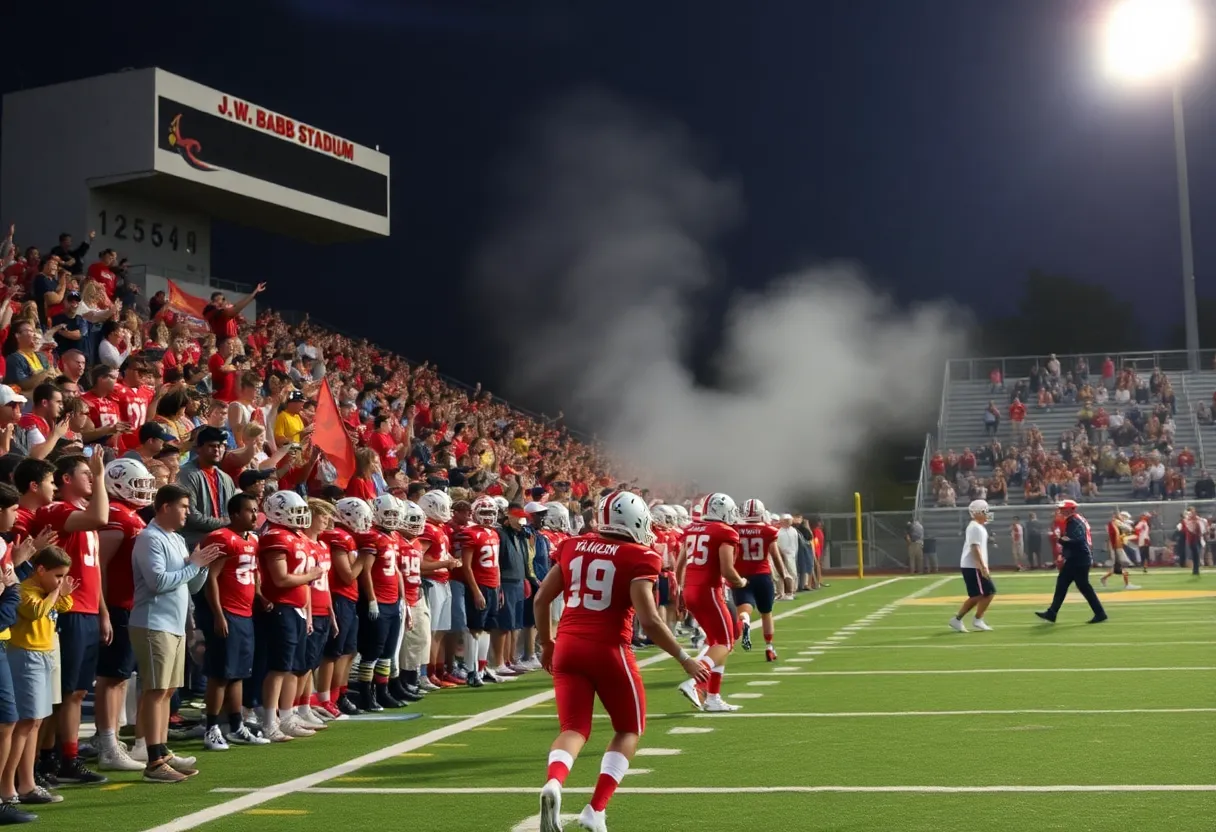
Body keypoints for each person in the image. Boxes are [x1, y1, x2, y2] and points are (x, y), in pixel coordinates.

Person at [533, 490, 709, 832]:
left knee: (573, 728)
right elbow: (652, 620)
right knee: (629, 729)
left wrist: (546, 643)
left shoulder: (573, 545)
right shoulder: (638, 555)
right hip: (609, 648)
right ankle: (595, 809)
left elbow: (541, 599)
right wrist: (685, 658)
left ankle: (554, 782)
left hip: (568, 645)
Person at [129, 484, 224, 782]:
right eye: (183, 506)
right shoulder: (149, 538)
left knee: (167, 691)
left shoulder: (176, 539)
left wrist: (202, 567)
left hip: (173, 623)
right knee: (156, 691)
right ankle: (154, 759)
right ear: (165, 507)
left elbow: (190, 586)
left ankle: (162, 752)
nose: (188, 513)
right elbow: (157, 582)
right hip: (153, 621)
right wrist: (193, 565)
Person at [28, 453, 109, 786]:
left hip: (88, 610)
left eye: (93, 474)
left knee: (75, 692)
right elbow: (100, 516)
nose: (91, 478)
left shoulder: (80, 515)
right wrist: (103, 477)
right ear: (65, 479)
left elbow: (95, 570)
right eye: (85, 474)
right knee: (58, 693)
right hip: (69, 610)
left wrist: (103, 612)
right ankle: (48, 758)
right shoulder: (59, 510)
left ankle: (66, 757)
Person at [93, 459, 157, 773]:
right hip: (117, 603)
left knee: (120, 678)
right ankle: (108, 743)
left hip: (130, 604)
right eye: (137, 483)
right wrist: (103, 608)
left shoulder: (130, 514)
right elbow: (99, 565)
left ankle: (112, 740)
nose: (143, 490)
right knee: (112, 677)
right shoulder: (117, 515)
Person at [199, 492, 271, 750]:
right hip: (227, 612)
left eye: (256, 509)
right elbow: (211, 579)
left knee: (239, 673)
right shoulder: (222, 538)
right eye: (250, 510)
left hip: (245, 613)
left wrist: (260, 596)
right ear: (235, 514)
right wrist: (218, 614)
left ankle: (236, 724)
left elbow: (253, 573)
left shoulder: (252, 539)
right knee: (220, 673)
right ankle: (211, 727)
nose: (255, 515)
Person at [7, 547, 77, 807]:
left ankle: (27, 780)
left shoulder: (47, 591)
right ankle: (19, 782)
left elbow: (64, 605)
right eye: (57, 575)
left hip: (45, 654)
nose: (60, 581)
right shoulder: (26, 589)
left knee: (36, 721)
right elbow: (35, 612)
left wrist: (59, 593)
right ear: (41, 570)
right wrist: (57, 591)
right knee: (27, 722)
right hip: (27, 655)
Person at [256, 491, 322, 741]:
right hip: (281, 607)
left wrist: (307, 611)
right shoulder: (275, 536)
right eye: (294, 512)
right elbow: (281, 578)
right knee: (279, 667)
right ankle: (270, 722)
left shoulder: (297, 537)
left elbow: (299, 582)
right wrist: (311, 576)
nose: (300, 517)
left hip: (296, 608)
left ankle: (287, 716)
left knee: (296, 667)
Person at [675, 492, 745, 713]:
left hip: (690, 589)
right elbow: (726, 569)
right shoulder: (724, 532)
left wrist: (680, 590)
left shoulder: (692, 529)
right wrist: (740, 581)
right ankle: (696, 680)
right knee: (727, 642)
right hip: (709, 591)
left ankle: (713, 697)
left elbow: (679, 565)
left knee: (717, 643)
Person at [321, 498, 374, 716]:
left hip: (349, 599)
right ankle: (326, 698)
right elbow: (347, 575)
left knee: (349, 651)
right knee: (333, 653)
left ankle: (339, 694)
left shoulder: (347, 537)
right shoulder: (338, 537)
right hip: (339, 597)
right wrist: (363, 557)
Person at [355, 495, 407, 710]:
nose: (392, 518)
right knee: (373, 651)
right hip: (378, 601)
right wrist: (372, 600)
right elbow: (365, 571)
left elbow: (395, 570)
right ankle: (366, 694)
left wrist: (402, 597)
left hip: (393, 600)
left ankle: (382, 691)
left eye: (395, 514)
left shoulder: (393, 536)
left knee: (387, 651)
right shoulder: (372, 536)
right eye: (388, 513)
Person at [453, 496, 503, 688]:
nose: (489, 517)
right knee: (475, 629)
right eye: (484, 512)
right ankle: (472, 671)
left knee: (488, 629)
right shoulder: (471, 533)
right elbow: (466, 566)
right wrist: (475, 591)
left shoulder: (494, 534)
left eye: (491, 513)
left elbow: (496, 564)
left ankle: (482, 669)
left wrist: (499, 588)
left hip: (493, 585)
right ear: (475, 513)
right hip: (480, 584)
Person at [1036, 500, 1108, 624]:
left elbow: (1076, 539)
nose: (1060, 510)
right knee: (1072, 585)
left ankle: (1053, 612)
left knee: (1069, 584)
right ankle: (1053, 612)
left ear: (1070, 509)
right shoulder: (1077, 519)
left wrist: (1060, 540)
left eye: (1062, 508)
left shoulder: (1073, 521)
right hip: (1079, 557)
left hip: (1078, 558)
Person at [732, 498, 786, 662]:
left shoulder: (735, 530)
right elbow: (775, 555)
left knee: (744, 609)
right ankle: (769, 646)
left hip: (740, 576)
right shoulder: (768, 531)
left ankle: (745, 622)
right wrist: (784, 575)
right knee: (766, 613)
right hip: (762, 575)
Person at [949, 500, 997, 633]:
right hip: (972, 566)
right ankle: (957, 619)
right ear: (977, 512)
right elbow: (975, 548)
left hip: (975, 566)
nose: (987, 513)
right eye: (985, 511)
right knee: (977, 595)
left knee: (989, 592)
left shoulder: (978, 527)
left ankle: (978, 619)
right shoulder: (974, 527)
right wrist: (982, 566)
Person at [1101, 511, 1141, 590]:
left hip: (1117, 547)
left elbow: (1122, 534)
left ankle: (1104, 578)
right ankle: (1127, 585)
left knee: (1118, 567)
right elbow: (1128, 529)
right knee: (1124, 564)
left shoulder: (1113, 524)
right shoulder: (1115, 522)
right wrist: (1127, 527)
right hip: (1116, 547)